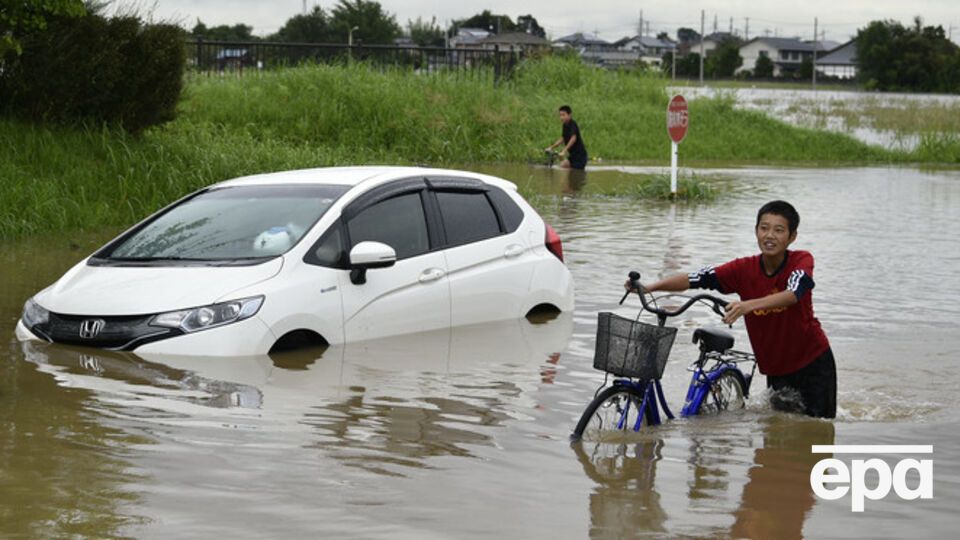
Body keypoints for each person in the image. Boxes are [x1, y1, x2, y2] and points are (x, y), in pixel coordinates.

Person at [627, 200, 836, 418]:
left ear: (792, 237)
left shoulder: (801, 260)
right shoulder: (743, 269)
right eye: (764, 228)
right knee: (778, 433)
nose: (770, 235)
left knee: (817, 433)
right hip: (776, 367)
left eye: (779, 230)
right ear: (756, 231)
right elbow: (696, 278)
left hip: (812, 363)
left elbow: (793, 293)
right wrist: (650, 287)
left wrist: (748, 305)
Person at [545, 105, 588, 170]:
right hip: (572, 156)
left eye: (563, 115)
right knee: (562, 166)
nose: (561, 117)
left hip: (580, 157)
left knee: (572, 173)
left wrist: (564, 151)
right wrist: (551, 147)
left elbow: (573, 138)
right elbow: (563, 138)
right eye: (560, 115)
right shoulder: (565, 125)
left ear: (569, 115)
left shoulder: (573, 124)